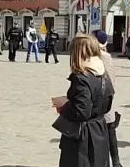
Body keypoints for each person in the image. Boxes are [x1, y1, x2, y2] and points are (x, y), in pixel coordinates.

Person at [51, 34, 114, 167]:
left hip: (82, 137)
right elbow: (107, 103)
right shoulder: (103, 73)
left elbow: (81, 111)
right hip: (99, 130)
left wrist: (64, 105)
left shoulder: (81, 78)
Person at [94, 30, 122, 167]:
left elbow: (110, 81)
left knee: (109, 132)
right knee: (109, 132)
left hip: (105, 101)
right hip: (105, 100)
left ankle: (115, 163)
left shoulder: (103, 57)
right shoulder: (97, 55)